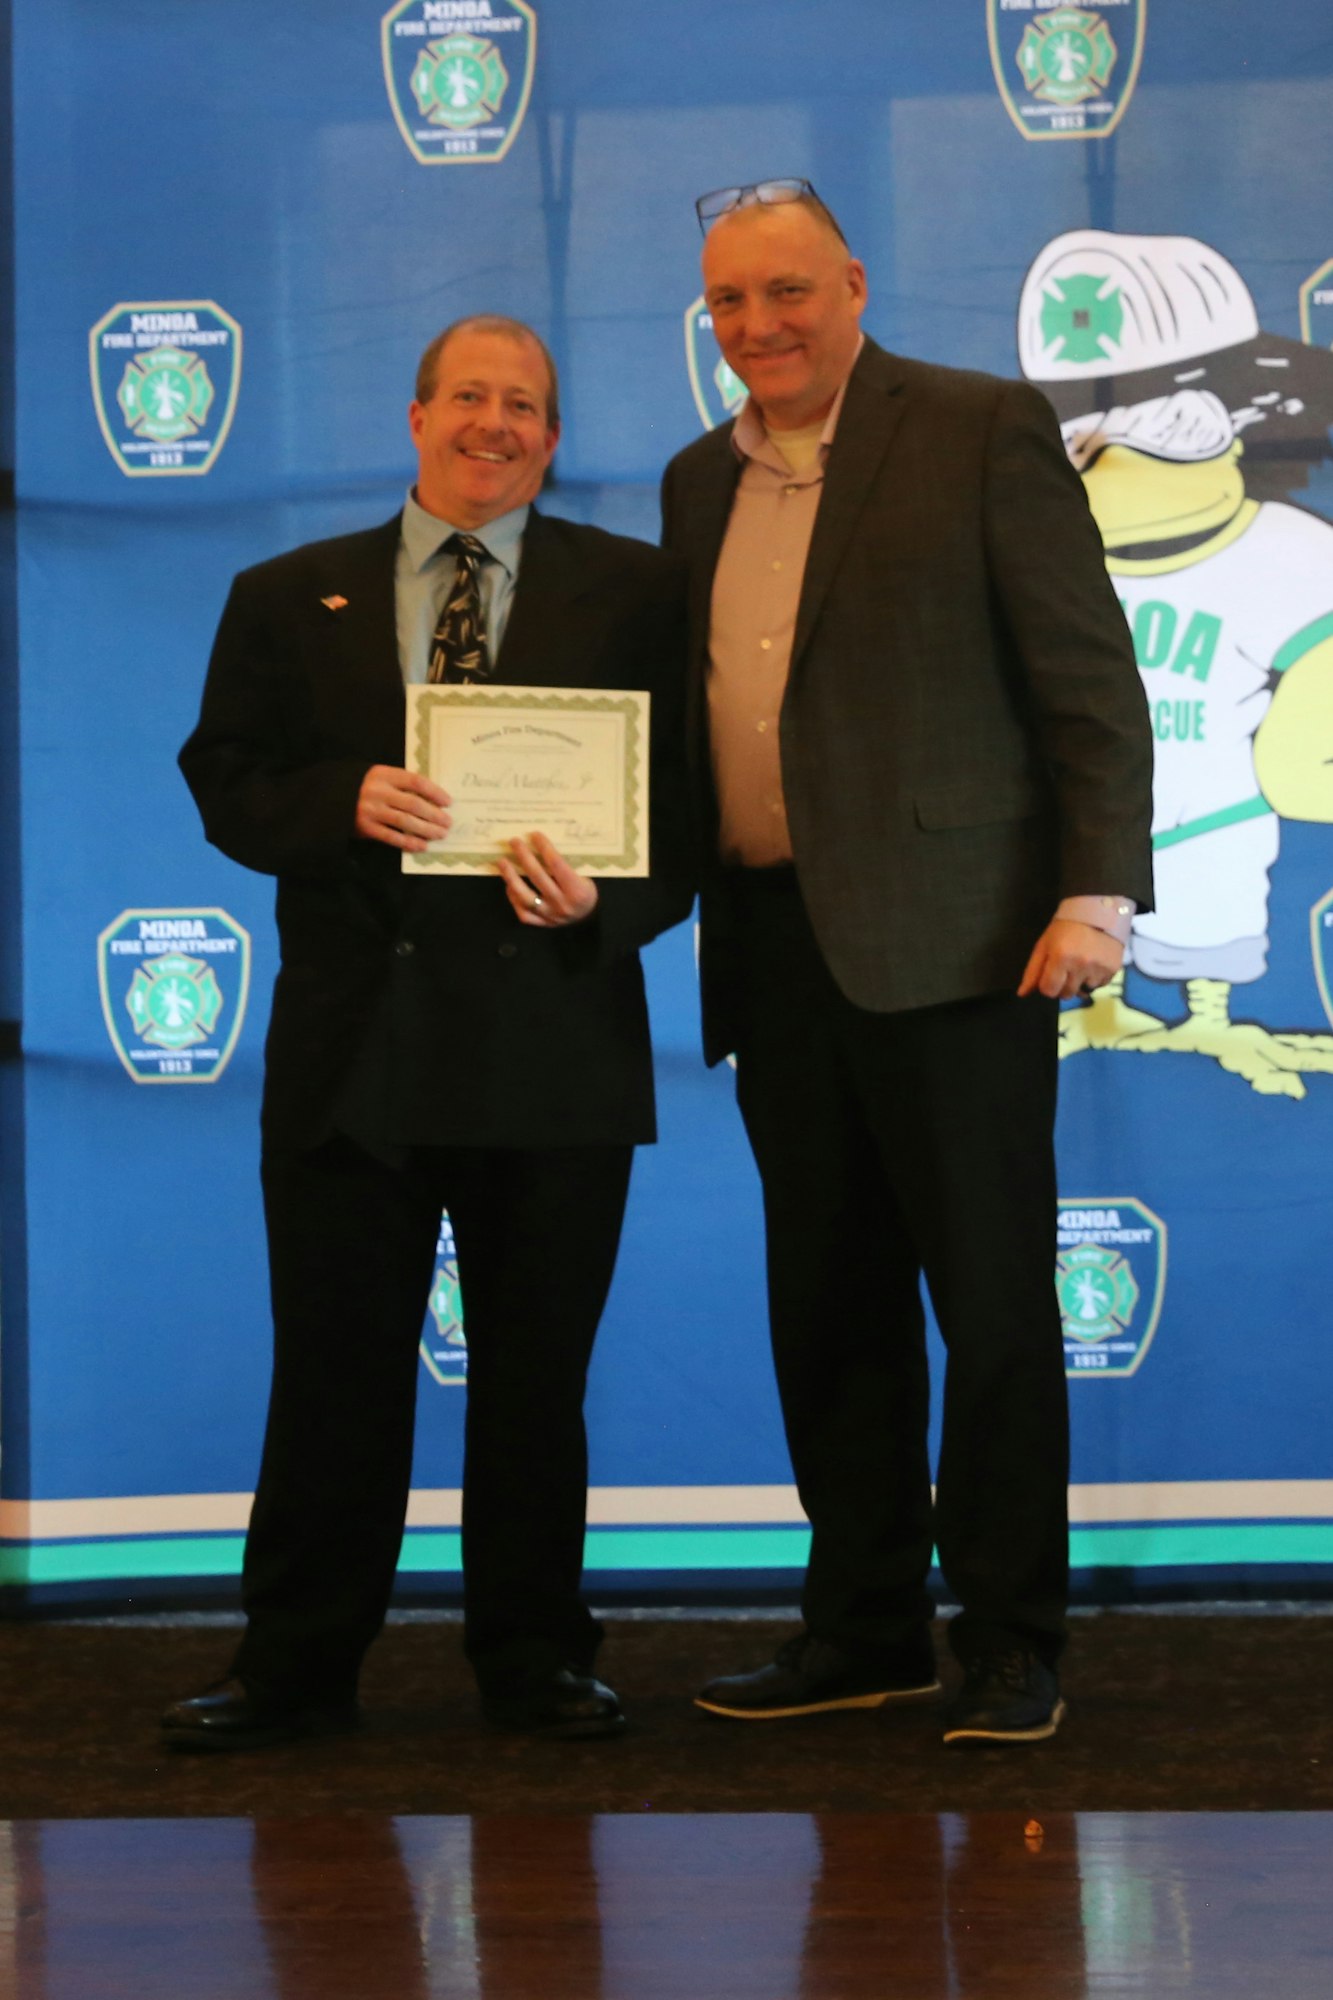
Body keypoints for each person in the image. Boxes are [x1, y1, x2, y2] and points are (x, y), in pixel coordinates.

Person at [662, 182, 1153, 1743]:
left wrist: (1095, 897)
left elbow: (1087, 679)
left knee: (995, 1312)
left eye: (786, 291)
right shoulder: (690, 483)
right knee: (827, 1310)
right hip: (773, 951)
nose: (761, 327)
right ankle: (862, 1626)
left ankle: (1009, 1641)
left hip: (966, 952)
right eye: (731, 302)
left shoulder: (977, 425)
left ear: (852, 284)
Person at [165, 315, 691, 1749]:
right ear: (414, 416)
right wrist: (335, 797)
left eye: (524, 405)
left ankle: (534, 1662)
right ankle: (294, 1668)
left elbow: (687, 816)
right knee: (332, 1377)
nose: (495, 424)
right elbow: (224, 778)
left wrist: (608, 900)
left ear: (555, 438)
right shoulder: (288, 593)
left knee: (536, 1387)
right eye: (469, 395)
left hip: (555, 1046)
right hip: (356, 1058)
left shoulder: (640, 593)